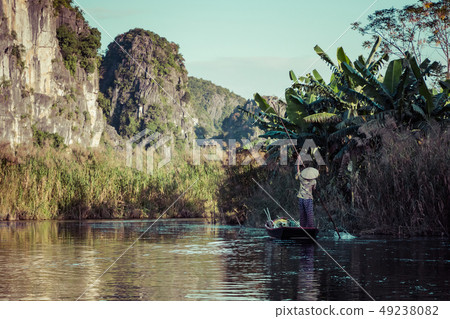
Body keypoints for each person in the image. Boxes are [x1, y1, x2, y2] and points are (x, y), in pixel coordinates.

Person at [295, 156, 319, 228]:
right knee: (309, 214)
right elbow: (314, 189)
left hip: (301, 198)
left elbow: (298, 171)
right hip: (308, 199)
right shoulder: (314, 181)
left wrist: (299, 161)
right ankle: (310, 228)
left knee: (302, 215)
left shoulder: (301, 178)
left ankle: (303, 227)